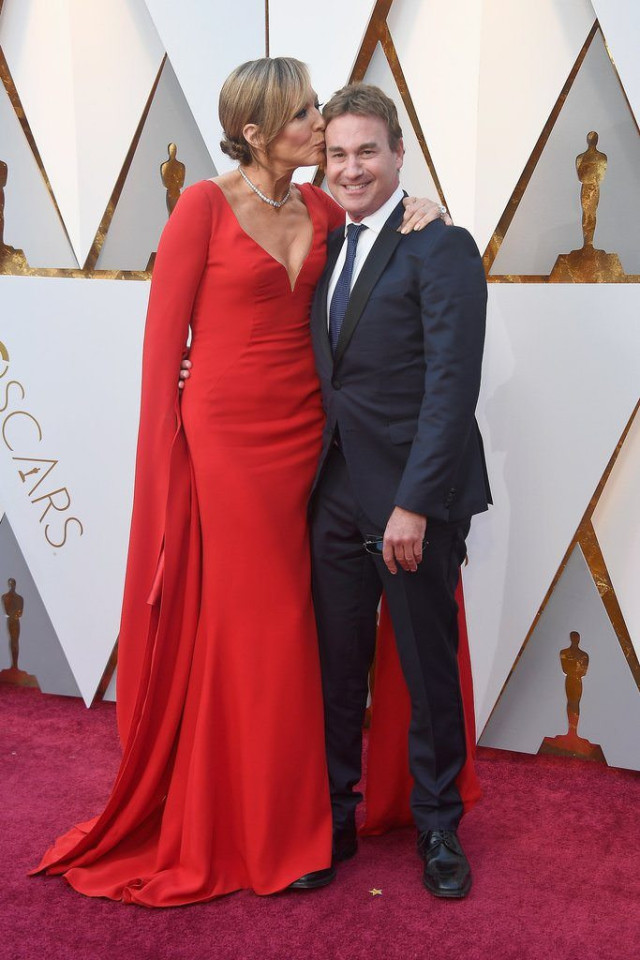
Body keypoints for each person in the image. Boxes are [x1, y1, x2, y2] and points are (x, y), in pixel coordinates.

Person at [32, 58, 443, 906]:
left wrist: (429, 213)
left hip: (312, 434)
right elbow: (161, 351)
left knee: (308, 625)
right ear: (256, 133)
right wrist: (168, 461)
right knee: (266, 620)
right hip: (228, 439)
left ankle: (305, 810)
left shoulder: (323, 203)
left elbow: (387, 233)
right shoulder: (202, 208)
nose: (321, 128)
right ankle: (260, 824)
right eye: (303, 117)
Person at [308, 84, 491, 899]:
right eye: (337, 153)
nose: (351, 167)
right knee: (336, 664)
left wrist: (412, 503)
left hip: (415, 495)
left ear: (397, 154)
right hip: (335, 491)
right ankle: (335, 814)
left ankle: (439, 826)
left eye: (366, 151)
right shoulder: (324, 246)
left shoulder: (439, 244)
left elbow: (453, 385)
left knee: (425, 667)